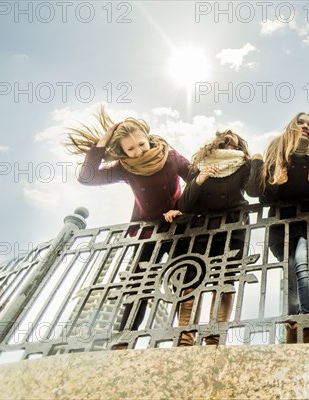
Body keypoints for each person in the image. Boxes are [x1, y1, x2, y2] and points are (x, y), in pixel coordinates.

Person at [65, 105, 190, 348]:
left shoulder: (171, 156)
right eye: (130, 149)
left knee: (182, 281)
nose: (138, 151)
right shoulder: (125, 167)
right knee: (139, 285)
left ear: (148, 137)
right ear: (122, 151)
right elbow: (87, 178)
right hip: (148, 232)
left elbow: (194, 178)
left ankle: (182, 337)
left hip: (180, 228)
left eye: (141, 144)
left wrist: (182, 207)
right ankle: (124, 339)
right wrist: (102, 143)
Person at [248, 112, 309, 343]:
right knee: (290, 273)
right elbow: (261, 195)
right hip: (282, 224)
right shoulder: (277, 147)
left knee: (303, 260)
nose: (306, 126)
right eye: (301, 122)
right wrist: (270, 177)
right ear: (292, 125)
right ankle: (292, 329)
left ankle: (308, 328)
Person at [164, 130, 256, 346]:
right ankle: (185, 337)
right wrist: (200, 179)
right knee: (190, 280)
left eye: (234, 145)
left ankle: (215, 335)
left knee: (224, 281)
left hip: (231, 229)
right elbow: (185, 204)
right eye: (224, 143)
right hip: (199, 230)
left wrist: (255, 163)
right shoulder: (200, 165)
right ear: (215, 144)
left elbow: (252, 191)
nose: (229, 147)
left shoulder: (243, 164)